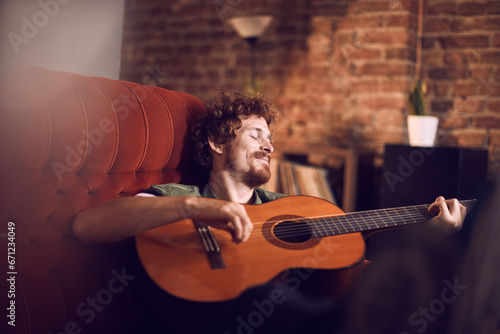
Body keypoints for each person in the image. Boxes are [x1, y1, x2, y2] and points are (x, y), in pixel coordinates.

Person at [72, 89, 467, 333]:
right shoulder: (179, 195)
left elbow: (352, 243)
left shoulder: (289, 209)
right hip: (197, 320)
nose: (269, 146)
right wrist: (194, 208)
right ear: (215, 141)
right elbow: (88, 227)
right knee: (262, 300)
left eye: (271, 137)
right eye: (255, 133)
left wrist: (435, 234)